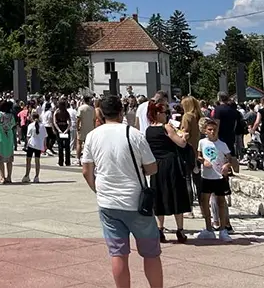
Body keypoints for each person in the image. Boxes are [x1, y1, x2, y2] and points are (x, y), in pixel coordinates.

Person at [81, 95, 162, 288]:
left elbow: (86, 170)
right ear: (121, 112)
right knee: (151, 253)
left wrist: (96, 188)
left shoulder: (93, 135)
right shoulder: (134, 134)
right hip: (136, 202)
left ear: (100, 112)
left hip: (108, 203)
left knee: (118, 253)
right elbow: (152, 168)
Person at [145, 100, 191, 244]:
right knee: (176, 194)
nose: (166, 115)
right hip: (170, 163)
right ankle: (180, 230)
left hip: (156, 164)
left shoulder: (148, 130)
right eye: (165, 112)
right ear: (158, 114)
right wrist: (184, 136)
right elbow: (181, 143)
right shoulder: (166, 128)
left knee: (159, 195)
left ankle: (160, 230)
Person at [197, 119, 238, 241]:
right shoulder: (202, 142)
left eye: (214, 130)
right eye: (209, 130)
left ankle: (223, 229)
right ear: (205, 131)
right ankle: (208, 228)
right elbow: (199, 155)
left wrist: (227, 165)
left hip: (219, 176)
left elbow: (230, 159)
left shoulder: (222, 144)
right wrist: (203, 161)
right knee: (205, 201)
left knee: (221, 202)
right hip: (207, 176)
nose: (212, 132)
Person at [0, 101, 16, 184]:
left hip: (0, 135)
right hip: (9, 136)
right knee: (9, 159)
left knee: (1, 159)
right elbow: (13, 124)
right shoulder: (11, 116)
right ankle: (9, 177)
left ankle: (2, 177)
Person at [22, 109, 46, 184]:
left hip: (31, 144)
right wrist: (44, 145)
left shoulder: (30, 125)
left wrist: (26, 144)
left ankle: (27, 175)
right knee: (37, 161)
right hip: (39, 145)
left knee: (28, 160)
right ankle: (36, 176)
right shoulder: (42, 126)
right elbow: (45, 137)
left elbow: (28, 136)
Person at [53, 100, 72, 167]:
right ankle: (68, 162)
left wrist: (58, 130)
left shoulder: (57, 112)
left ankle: (60, 162)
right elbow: (70, 122)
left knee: (60, 146)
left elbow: (54, 122)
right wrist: (67, 130)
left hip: (60, 129)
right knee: (67, 146)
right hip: (65, 128)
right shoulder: (67, 112)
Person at [76, 95, 96, 160]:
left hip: (82, 127)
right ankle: (87, 158)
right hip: (90, 127)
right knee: (88, 144)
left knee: (79, 143)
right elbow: (94, 119)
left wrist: (77, 127)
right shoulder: (92, 108)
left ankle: (78, 159)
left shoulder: (81, 108)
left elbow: (78, 119)